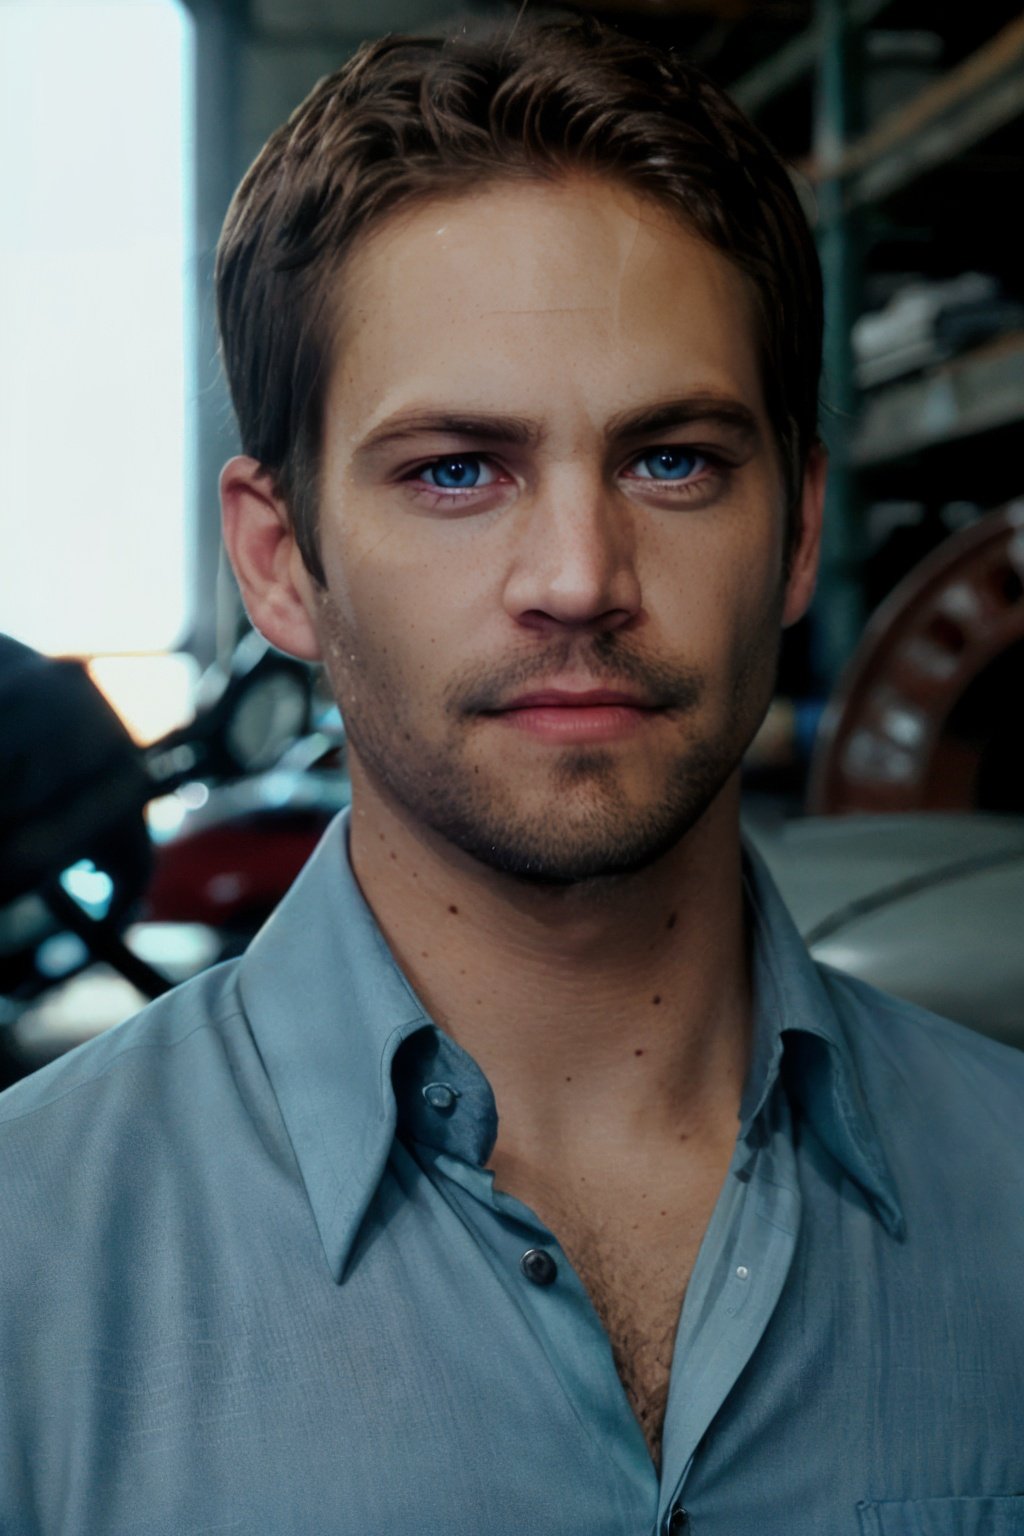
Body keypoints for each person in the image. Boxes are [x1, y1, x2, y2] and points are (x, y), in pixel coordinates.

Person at [2, 18, 1022, 1534]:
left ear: (799, 530)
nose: (576, 577)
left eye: (671, 459)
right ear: (281, 564)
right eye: (456, 470)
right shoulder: (29, 1266)